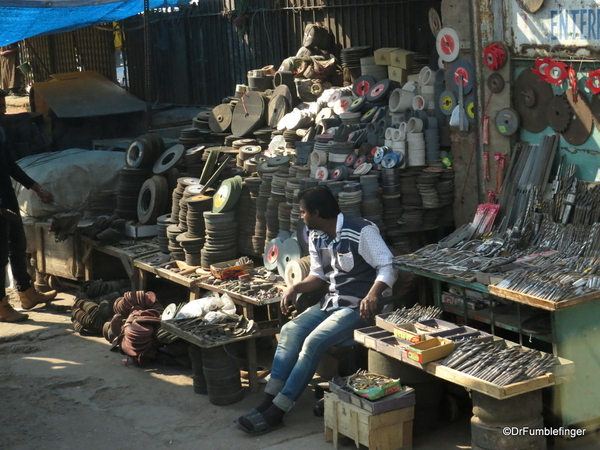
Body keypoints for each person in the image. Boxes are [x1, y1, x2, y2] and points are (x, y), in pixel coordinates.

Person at [237, 185, 397, 435]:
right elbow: (318, 275)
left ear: (318, 212)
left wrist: (373, 295)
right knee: (290, 330)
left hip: (360, 307)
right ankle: (270, 398)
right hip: (332, 302)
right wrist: (294, 288)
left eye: (303, 212)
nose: (301, 217)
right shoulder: (316, 234)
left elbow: (387, 267)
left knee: (313, 342)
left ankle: (279, 409)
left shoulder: (361, 231)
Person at [0, 90, 57, 322]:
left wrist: (37, 188)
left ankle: (26, 293)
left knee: (17, 244)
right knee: (0, 255)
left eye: (3, 103)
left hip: (7, 198)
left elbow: (10, 165)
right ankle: (2, 306)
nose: (3, 109)